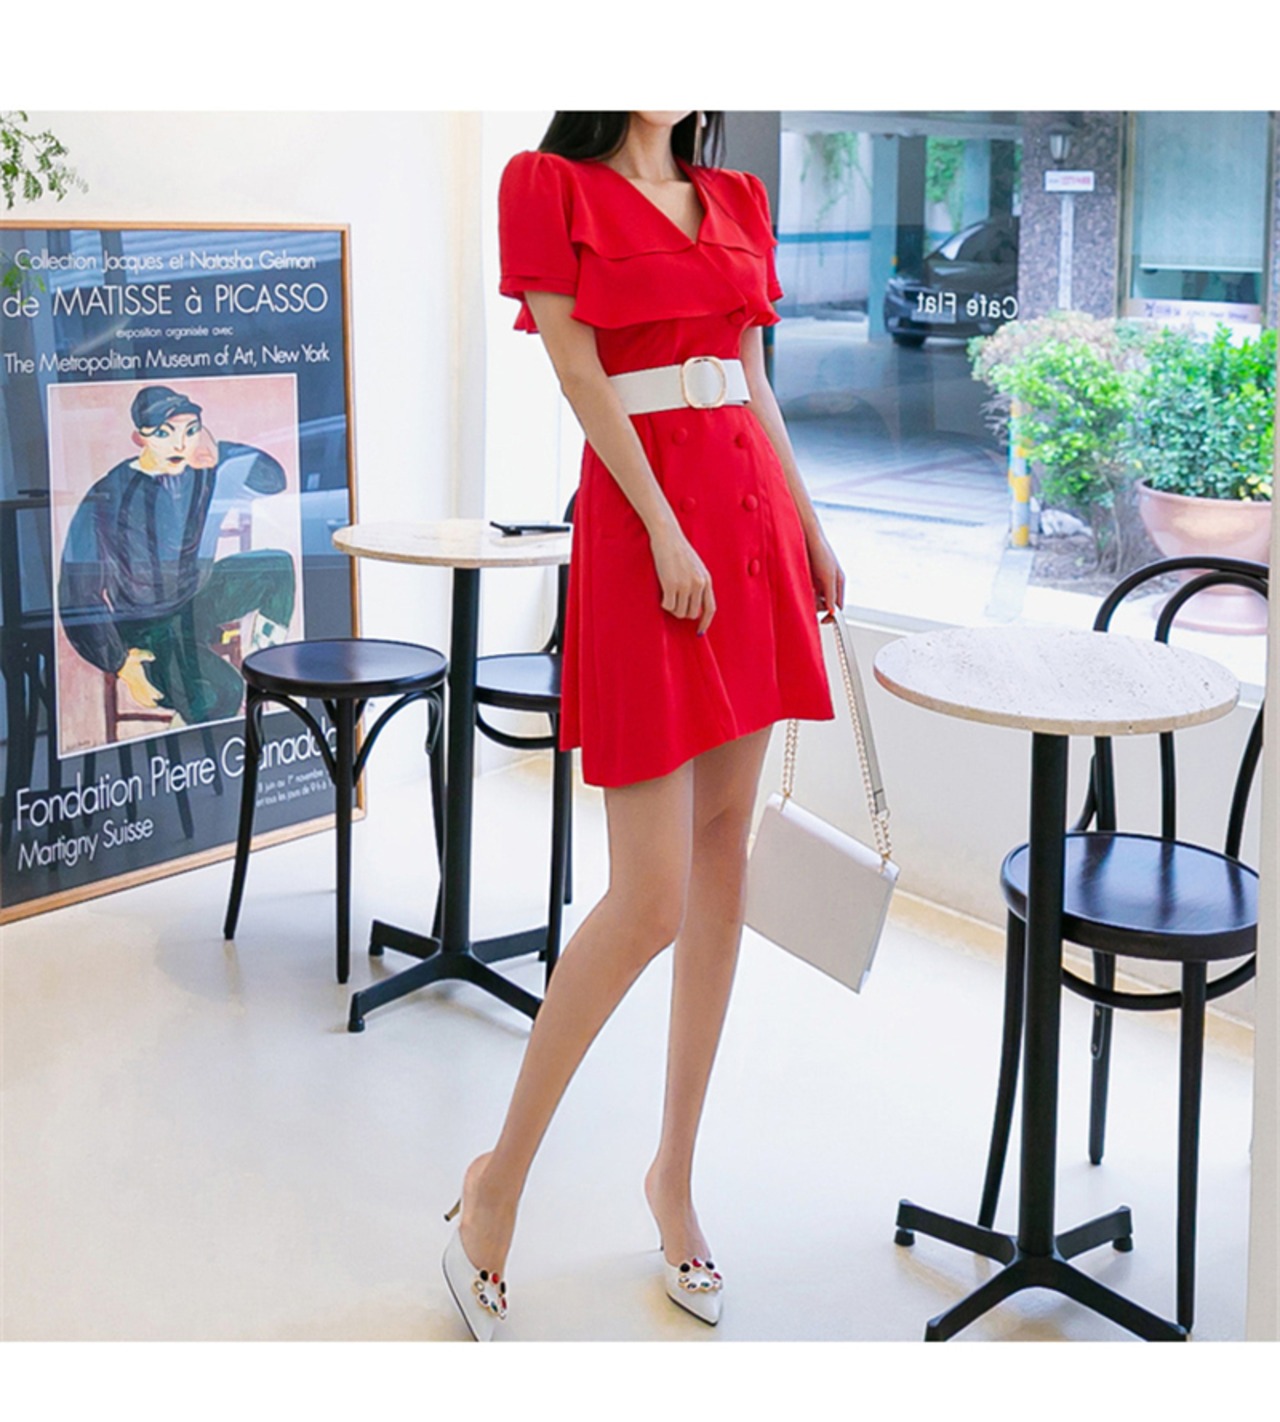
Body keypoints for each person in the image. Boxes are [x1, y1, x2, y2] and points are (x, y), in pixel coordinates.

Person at [442, 111, 843, 1340]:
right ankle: (494, 1187)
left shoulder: (735, 195)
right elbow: (577, 373)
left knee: (723, 859)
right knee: (649, 896)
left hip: (751, 525)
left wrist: (809, 525)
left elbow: (750, 380)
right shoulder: (546, 185)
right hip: (644, 532)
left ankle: (674, 1176)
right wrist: (663, 528)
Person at [58, 385, 296, 735]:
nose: (180, 444)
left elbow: (273, 479)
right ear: (140, 438)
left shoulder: (204, 468)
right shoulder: (109, 495)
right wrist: (120, 662)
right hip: (147, 624)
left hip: (197, 598)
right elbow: (77, 595)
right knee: (223, 692)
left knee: (276, 567)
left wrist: (219, 449)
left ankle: (265, 676)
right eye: (164, 433)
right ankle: (187, 743)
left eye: (190, 430)